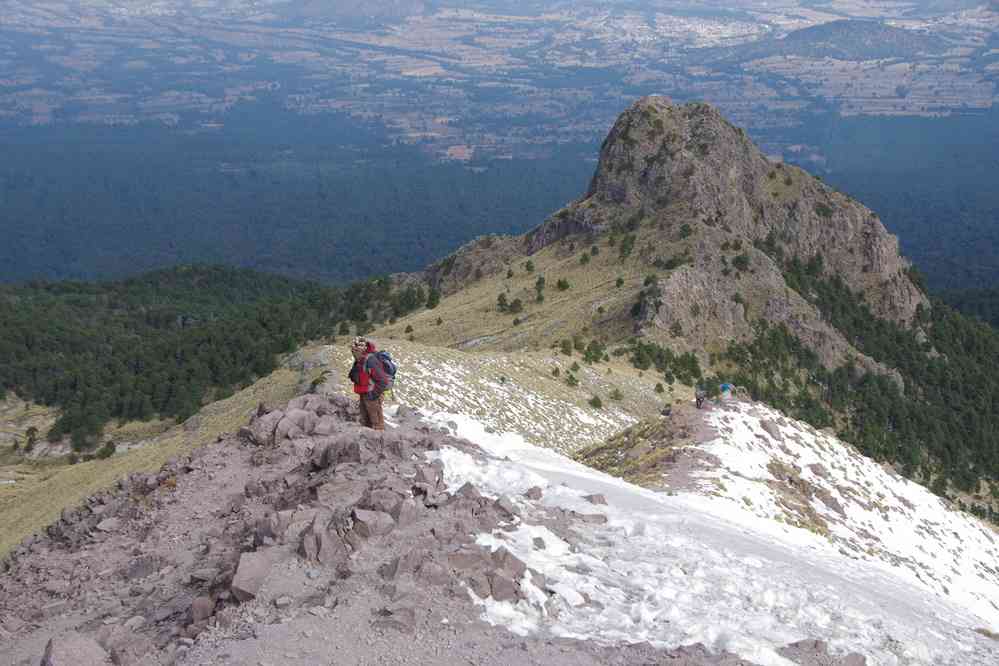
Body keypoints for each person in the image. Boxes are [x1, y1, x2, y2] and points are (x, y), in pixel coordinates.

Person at [348, 336, 390, 430]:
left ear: (360, 350)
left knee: (377, 425)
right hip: (365, 394)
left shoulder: (370, 360)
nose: (353, 353)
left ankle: (380, 442)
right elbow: (354, 376)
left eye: (354, 351)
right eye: (352, 351)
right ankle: (368, 441)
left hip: (372, 395)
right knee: (365, 421)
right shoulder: (359, 360)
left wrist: (373, 395)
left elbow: (383, 380)